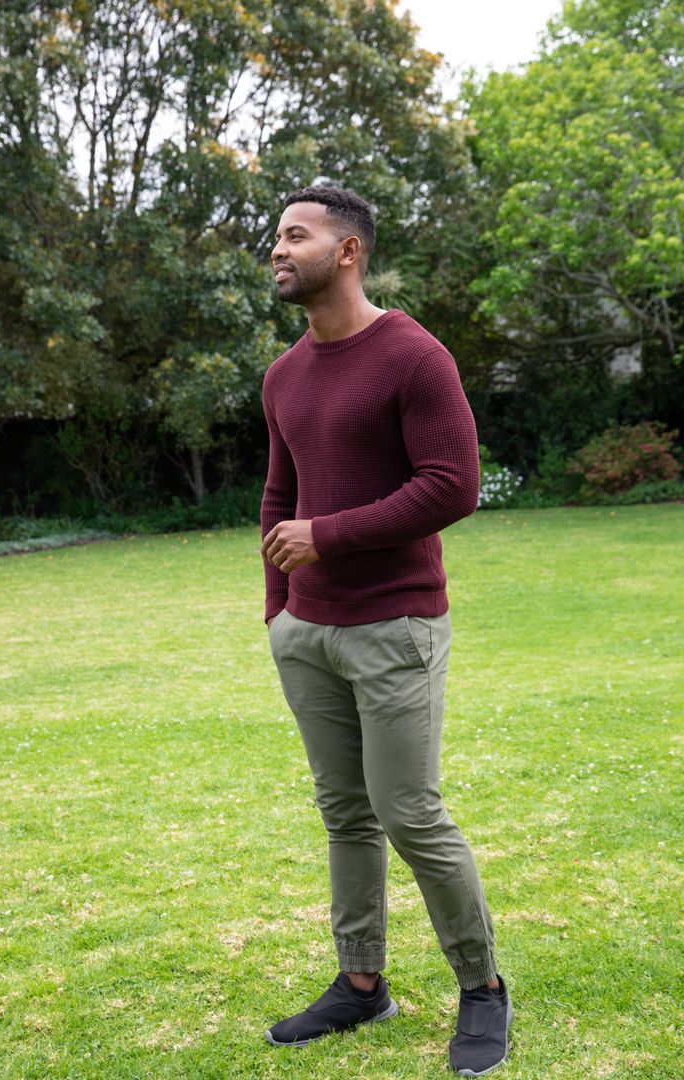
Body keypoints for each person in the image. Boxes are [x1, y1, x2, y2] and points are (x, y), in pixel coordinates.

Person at [259, 184, 512, 1076]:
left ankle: (482, 990)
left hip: (397, 626)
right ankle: (362, 987)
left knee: (411, 812)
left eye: (297, 235)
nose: (279, 250)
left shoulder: (413, 355)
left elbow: (452, 485)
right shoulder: (284, 375)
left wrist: (327, 538)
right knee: (345, 815)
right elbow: (278, 500)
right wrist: (278, 612)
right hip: (310, 634)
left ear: (349, 250)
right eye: (277, 237)